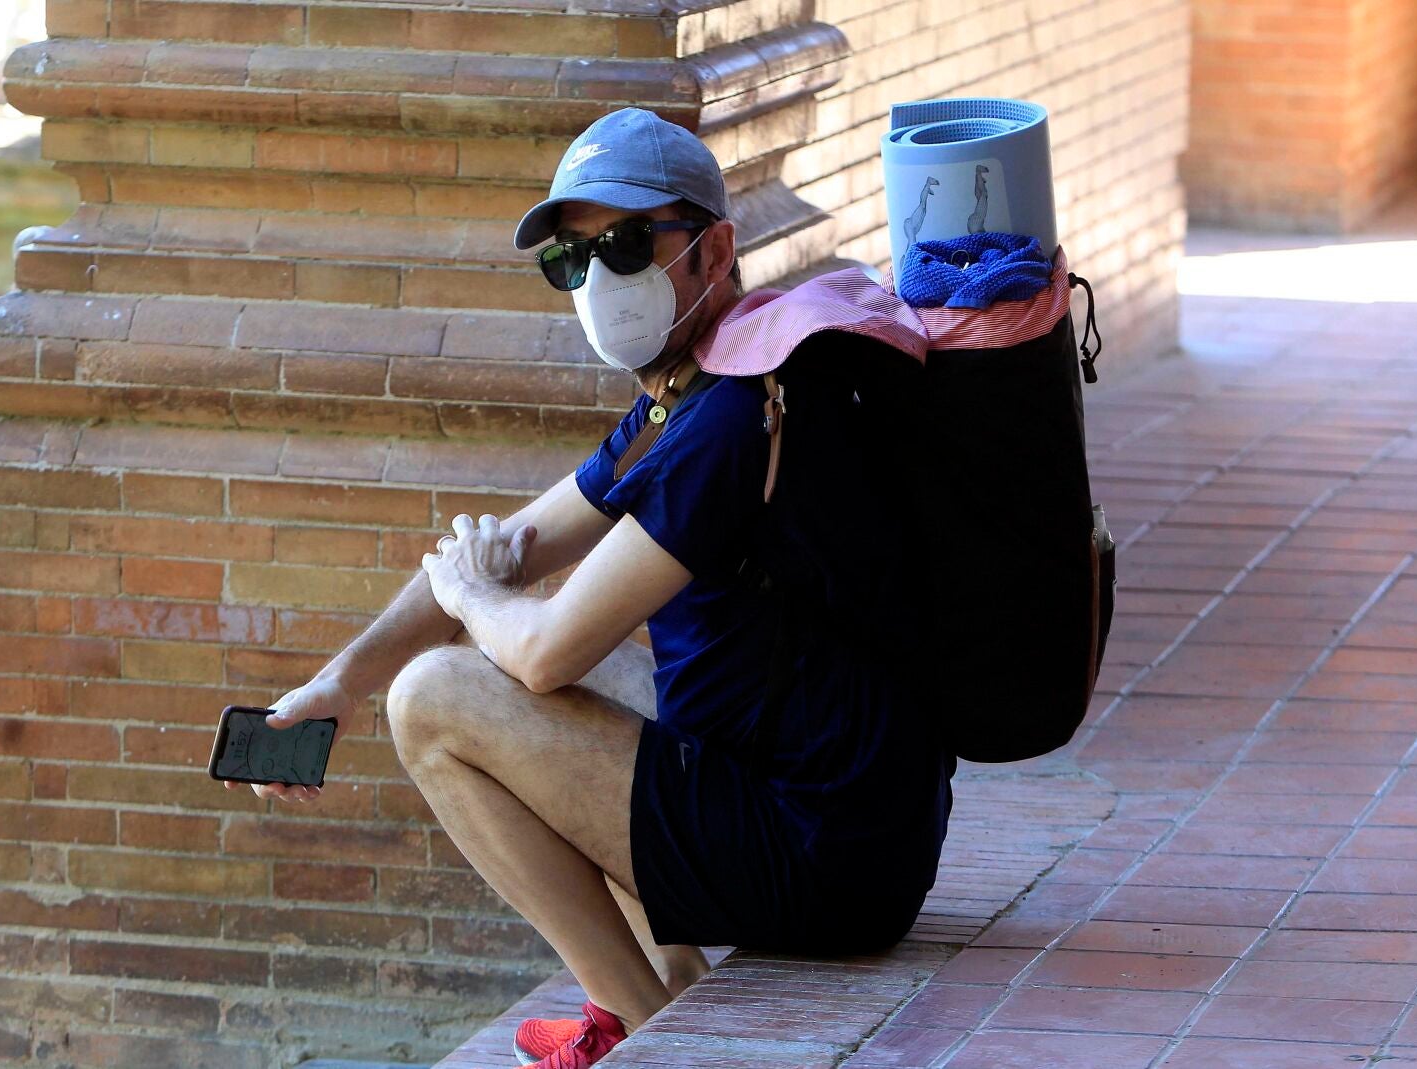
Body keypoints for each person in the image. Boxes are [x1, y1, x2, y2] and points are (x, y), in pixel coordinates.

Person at [248, 108, 956, 1069]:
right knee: (493, 649)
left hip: (825, 860)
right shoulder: (698, 390)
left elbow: (541, 649)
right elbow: (516, 547)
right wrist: (343, 678)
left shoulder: (731, 419)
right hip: (843, 825)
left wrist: (473, 600)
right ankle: (671, 986)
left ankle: (645, 1032)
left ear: (715, 252)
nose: (599, 279)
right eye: (572, 259)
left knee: (435, 695)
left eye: (626, 245)